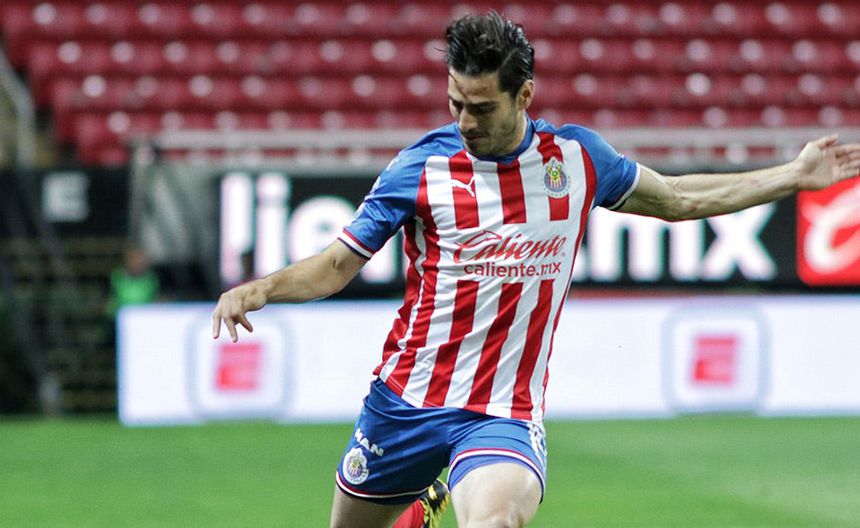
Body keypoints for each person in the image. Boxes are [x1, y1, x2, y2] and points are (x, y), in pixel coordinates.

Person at [212, 11, 860, 528]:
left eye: (481, 107)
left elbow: (680, 199)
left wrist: (794, 176)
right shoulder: (420, 168)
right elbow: (335, 265)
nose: (464, 121)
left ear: (523, 94)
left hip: (501, 413)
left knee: (494, 522)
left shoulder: (576, 160)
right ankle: (417, 508)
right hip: (404, 404)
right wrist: (262, 289)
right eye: (455, 103)